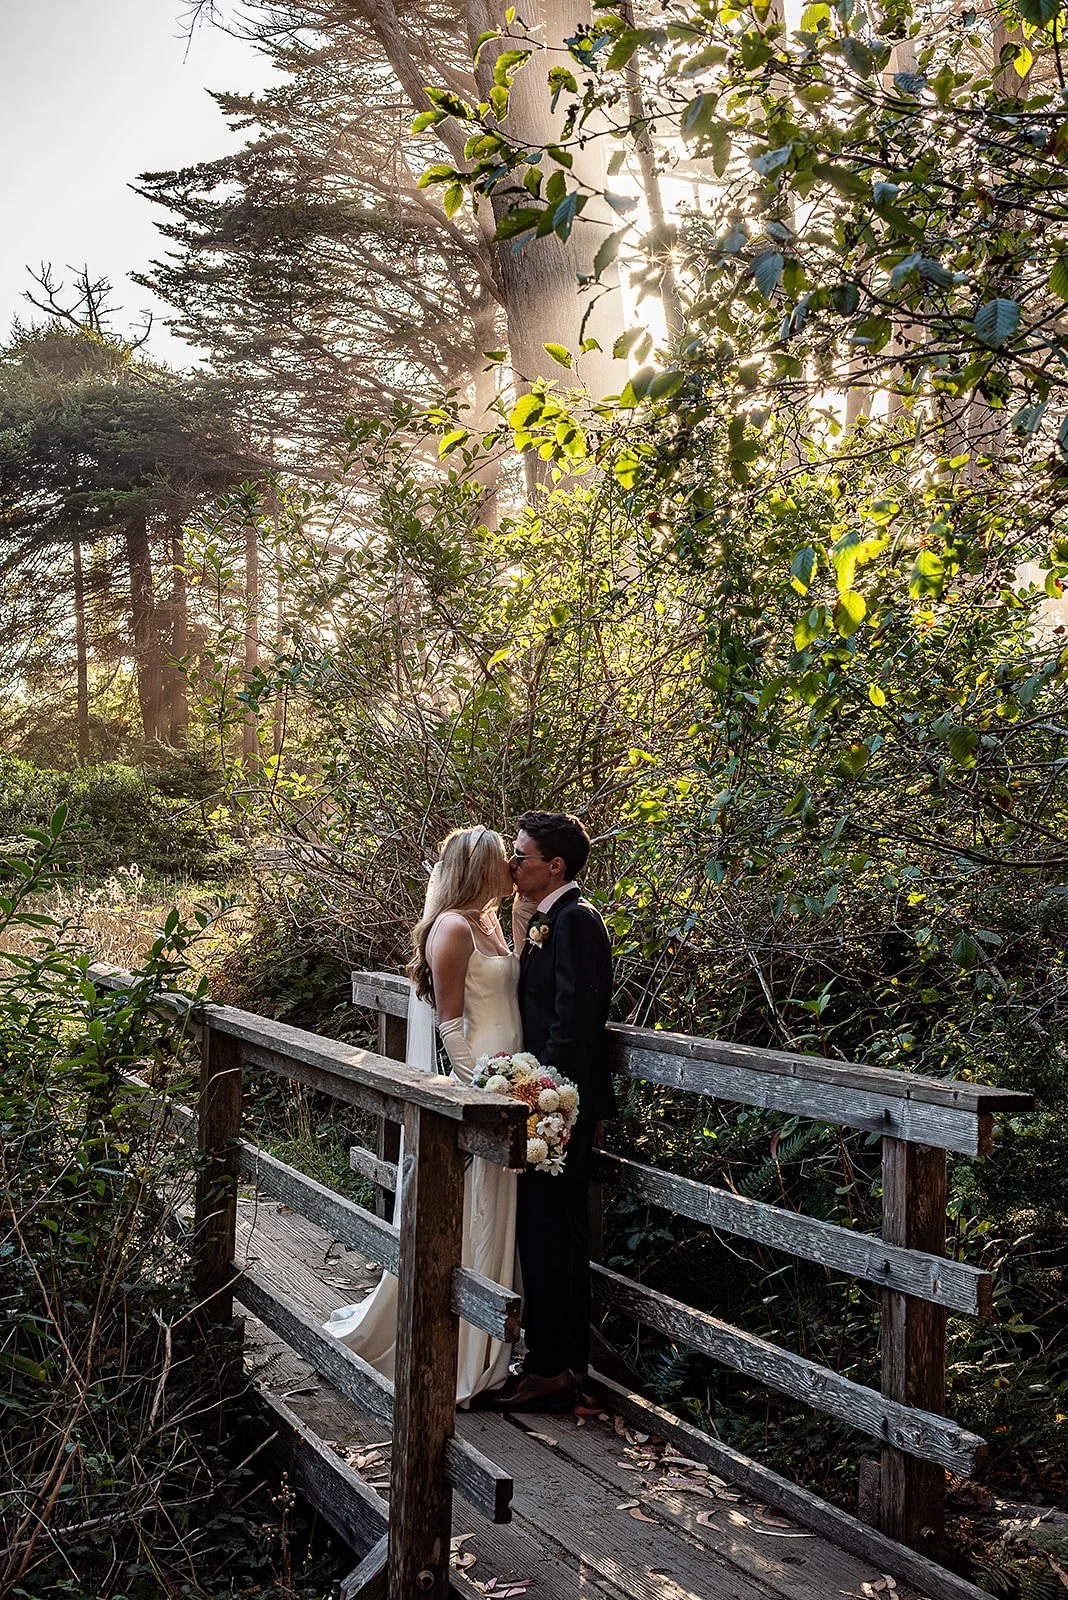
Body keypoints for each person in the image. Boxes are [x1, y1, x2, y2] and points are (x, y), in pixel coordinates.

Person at [323, 824, 524, 1407]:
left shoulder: (487, 921)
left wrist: (519, 916)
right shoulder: (453, 928)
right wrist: (478, 1090)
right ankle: (455, 1346)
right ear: (477, 868)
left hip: (515, 1082)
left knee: (494, 1208)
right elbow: (451, 1025)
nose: (510, 866)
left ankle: (489, 1344)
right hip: (483, 1088)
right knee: (470, 1207)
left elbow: (512, 989)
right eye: (500, 861)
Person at [484, 810, 615, 1414]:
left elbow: (573, 1022)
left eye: (521, 856)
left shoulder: (577, 921)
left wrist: (544, 1102)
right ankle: (551, 1361)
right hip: (546, 1099)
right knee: (543, 1233)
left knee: (552, 1235)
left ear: (554, 866)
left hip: (561, 1105)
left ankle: (554, 1368)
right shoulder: (545, 919)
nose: (512, 865)